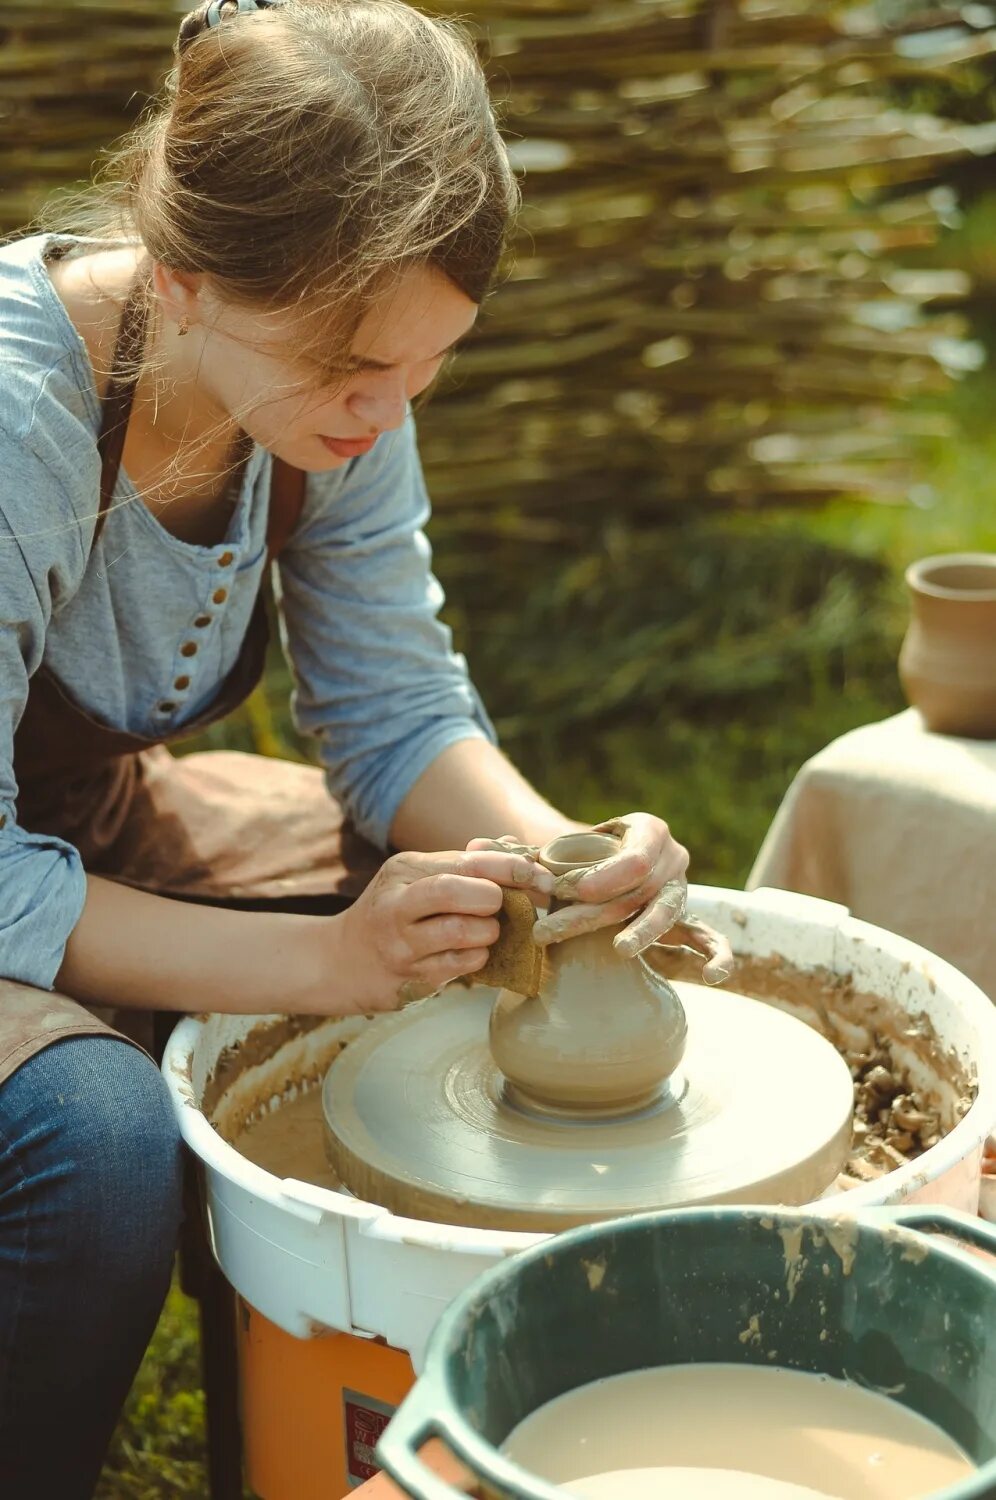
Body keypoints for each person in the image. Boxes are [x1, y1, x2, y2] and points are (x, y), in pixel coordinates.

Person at [0, 0, 731, 1491]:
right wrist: (328, 964)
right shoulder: (18, 422)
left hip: (81, 815)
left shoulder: (338, 373)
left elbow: (395, 713)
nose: (387, 409)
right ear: (187, 277)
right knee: (98, 1143)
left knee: (451, 914)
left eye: (424, 363)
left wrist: (557, 867)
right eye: (352, 367)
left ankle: (295, 1382)